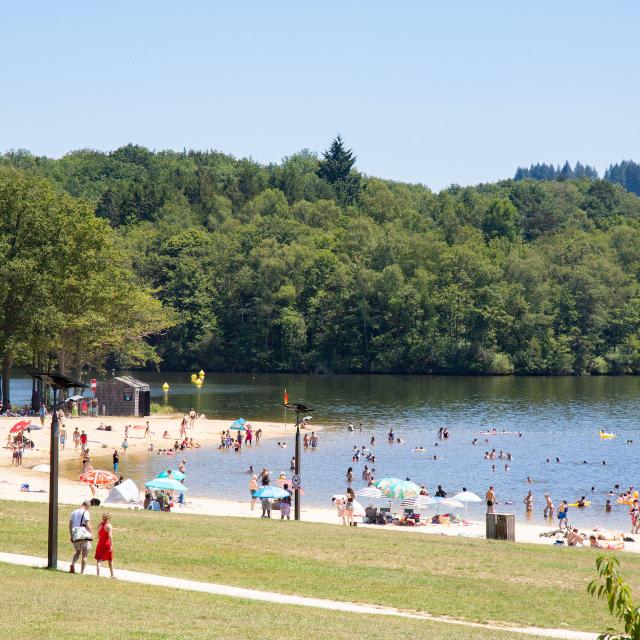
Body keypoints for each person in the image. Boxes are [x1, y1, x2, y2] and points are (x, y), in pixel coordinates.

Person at [69, 500, 92, 574]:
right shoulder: (86, 512)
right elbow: (87, 524)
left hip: (75, 533)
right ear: (87, 505)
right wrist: (91, 533)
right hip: (83, 534)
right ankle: (82, 572)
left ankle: (73, 564)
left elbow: (70, 525)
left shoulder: (74, 512)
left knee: (77, 552)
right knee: (84, 555)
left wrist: (71, 535)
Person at [95, 513, 115, 577]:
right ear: (109, 519)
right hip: (107, 543)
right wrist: (111, 545)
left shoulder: (99, 525)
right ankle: (112, 574)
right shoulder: (109, 526)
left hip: (100, 543)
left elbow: (98, 535)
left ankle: (98, 574)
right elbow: (110, 536)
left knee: (99, 559)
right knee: (110, 559)